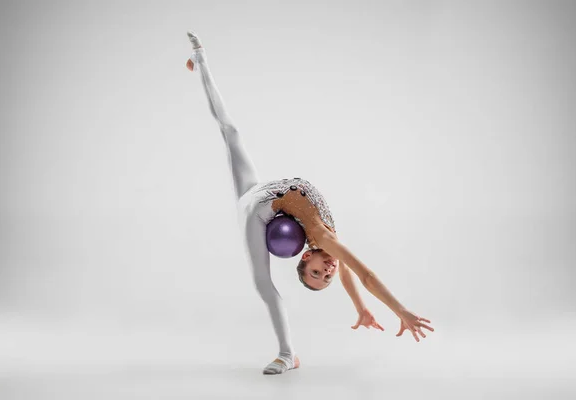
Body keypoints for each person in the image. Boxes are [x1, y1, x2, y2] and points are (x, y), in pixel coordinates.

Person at [185, 31, 434, 375]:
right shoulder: (330, 242)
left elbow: (359, 275)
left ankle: (287, 354)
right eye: (324, 275)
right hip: (256, 191)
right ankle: (201, 60)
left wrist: (387, 309)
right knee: (231, 131)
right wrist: (375, 309)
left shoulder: (321, 238)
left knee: (262, 283)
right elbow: (359, 275)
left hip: (254, 216)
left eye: (317, 273)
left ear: (305, 256)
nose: (328, 269)